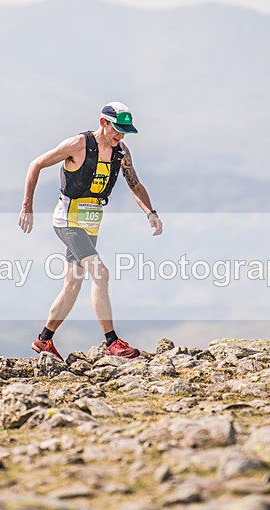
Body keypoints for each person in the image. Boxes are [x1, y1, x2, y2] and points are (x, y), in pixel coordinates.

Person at [18, 102, 163, 359]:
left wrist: (151, 212)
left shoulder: (121, 152)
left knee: (73, 284)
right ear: (103, 122)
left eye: (125, 131)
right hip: (68, 220)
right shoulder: (78, 145)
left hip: (91, 221)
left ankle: (44, 340)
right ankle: (112, 341)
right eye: (117, 129)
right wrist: (27, 205)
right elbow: (35, 164)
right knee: (101, 273)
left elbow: (135, 185)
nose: (121, 136)